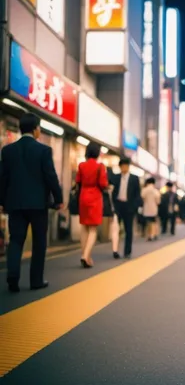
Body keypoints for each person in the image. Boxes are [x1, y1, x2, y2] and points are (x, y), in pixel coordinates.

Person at [0, 113, 63, 292]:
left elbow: (2, 178)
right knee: (39, 241)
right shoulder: (43, 150)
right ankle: (36, 281)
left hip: (15, 204)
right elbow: (50, 177)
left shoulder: (7, 151)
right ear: (36, 129)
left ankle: (12, 277)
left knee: (16, 240)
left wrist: (2, 201)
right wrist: (58, 199)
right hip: (38, 204)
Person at [76, 142, 108, 268]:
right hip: (95, 196)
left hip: (83, 195)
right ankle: (86, 256)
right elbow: (103, 183)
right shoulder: (100, 166)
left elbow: (78, 181)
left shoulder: (81, 165)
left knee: (84, 226)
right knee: (93, 229)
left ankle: (85, 255)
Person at [112, 158, 141, 258]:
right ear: (120, 167)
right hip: (118, 205)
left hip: (129, 207)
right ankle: (115, 250)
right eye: (122, 166)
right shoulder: (115, 177)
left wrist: (135, 207)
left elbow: (137, 194)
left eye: (126, 166)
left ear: (128, 167)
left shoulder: (134, 178)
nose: (124, 168)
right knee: (116, 229)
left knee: (128, 230)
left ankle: (127, 251)